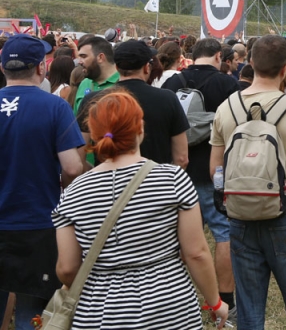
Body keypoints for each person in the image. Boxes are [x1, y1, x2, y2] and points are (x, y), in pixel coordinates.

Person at [53, 91, 229, 329]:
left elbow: (67, 268)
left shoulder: (74, 192)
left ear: (93, 135)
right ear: (140, 128)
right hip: (169, 306)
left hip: (98, 313)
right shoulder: (172, 179)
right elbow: (195, 252)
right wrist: (215, 302)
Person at [209, 35, 286, 330]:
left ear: (250, 63)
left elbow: (215, 169)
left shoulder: (227, 108)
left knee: (249, 313)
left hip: (241, 218)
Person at [0, 34, 85, 330]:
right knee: (31, 308)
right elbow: (73, 167)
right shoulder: (55, 107)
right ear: (41, 68)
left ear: (3, 68)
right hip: (37, 221)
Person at [162, 38, 240, 321]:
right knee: (224, 233)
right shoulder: (227, 84)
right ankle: (226, 301)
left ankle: (179, 298)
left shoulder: (172, 83)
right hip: (214, 171)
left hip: (177, 173)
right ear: (219, 56)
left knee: (176, 239)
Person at [105, 39, 189, 168]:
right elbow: (182, 158)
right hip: (157, 182)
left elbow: (81, 156)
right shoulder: (167, 99)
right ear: (147, 67)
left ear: (117, 67)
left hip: (107, 183)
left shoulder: (95, 100)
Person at [74, 36, 120, 112]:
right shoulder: (84, 83)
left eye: (83, 56)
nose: (79, 61)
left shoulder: (124, 82)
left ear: (100, 57)